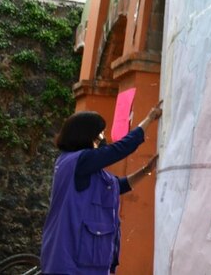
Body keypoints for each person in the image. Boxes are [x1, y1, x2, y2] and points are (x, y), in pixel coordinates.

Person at [40, 102, 163, 275]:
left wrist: (145, 170)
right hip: (71, 259)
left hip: (85, 259)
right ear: (87, 135)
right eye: (100, 134)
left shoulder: (85, 166)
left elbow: (116, 186)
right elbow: (119, 150)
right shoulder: (79, 160)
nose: (102, 138)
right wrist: (149, 119)